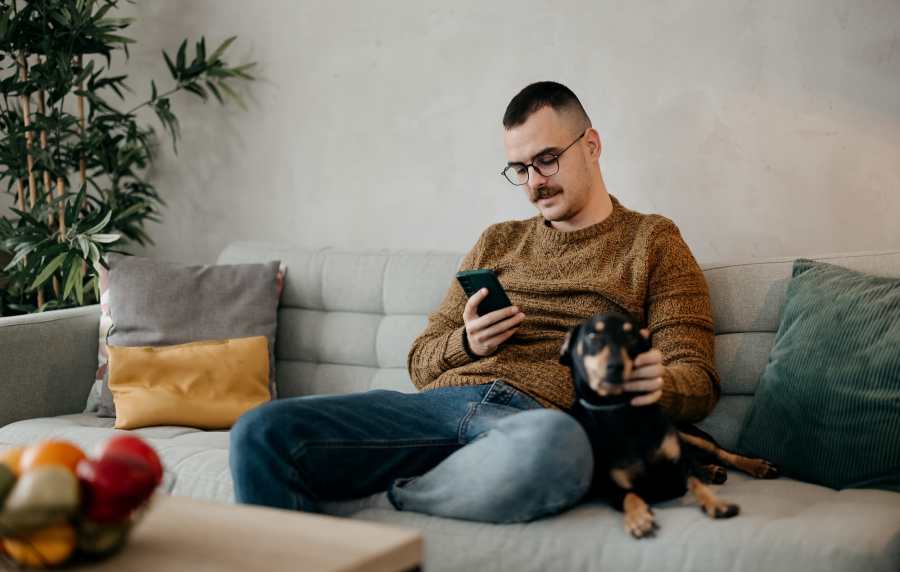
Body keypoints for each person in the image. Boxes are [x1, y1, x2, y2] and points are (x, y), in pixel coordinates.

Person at [229, 81, 720, 524]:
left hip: (540, 424)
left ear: (591, 145)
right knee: (261, 430)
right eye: (520, 168)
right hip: (440, 407)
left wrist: (652, 384)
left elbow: (698, 380)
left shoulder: (653, 240)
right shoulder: (496, 241)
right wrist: (467, 343)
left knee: (558, 444)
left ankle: (406, 497)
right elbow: (420, 362)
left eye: (547, 160)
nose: (534, 182)